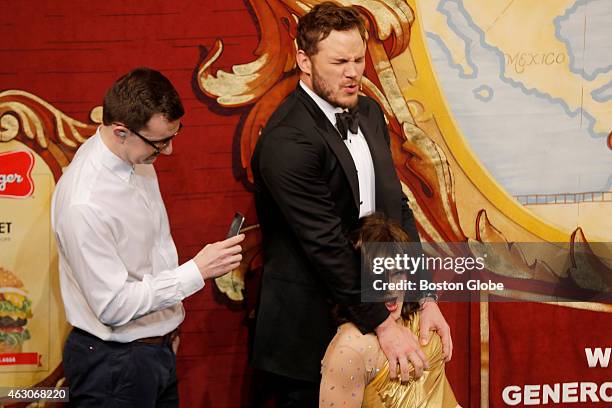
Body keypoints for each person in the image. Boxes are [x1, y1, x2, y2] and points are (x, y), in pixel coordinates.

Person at [250, 3, 452, 406]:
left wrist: (423, 295)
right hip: (308, 334)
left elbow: (398, 210)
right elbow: (325, 245)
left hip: (378, 326)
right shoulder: (286, 140)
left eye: (358, 59)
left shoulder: (371, 112)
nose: (353, 71)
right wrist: (382, 323)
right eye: (339, 61)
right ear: (303, 60)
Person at [51, 67, 244, 407]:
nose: (168, 151)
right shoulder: (85, 203)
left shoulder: (135, 155)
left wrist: (165, 329)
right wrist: (196, 271)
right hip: (113, 368)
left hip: (152, 353)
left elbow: (150, 258)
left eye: (174, 135)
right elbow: (113, 305)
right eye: (159, 142)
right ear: (121, 131)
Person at [320, 214, 460, 407]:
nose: (390, 289)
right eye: (379, 277)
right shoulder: (351, 348)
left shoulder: (422, 322)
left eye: (397, 274)